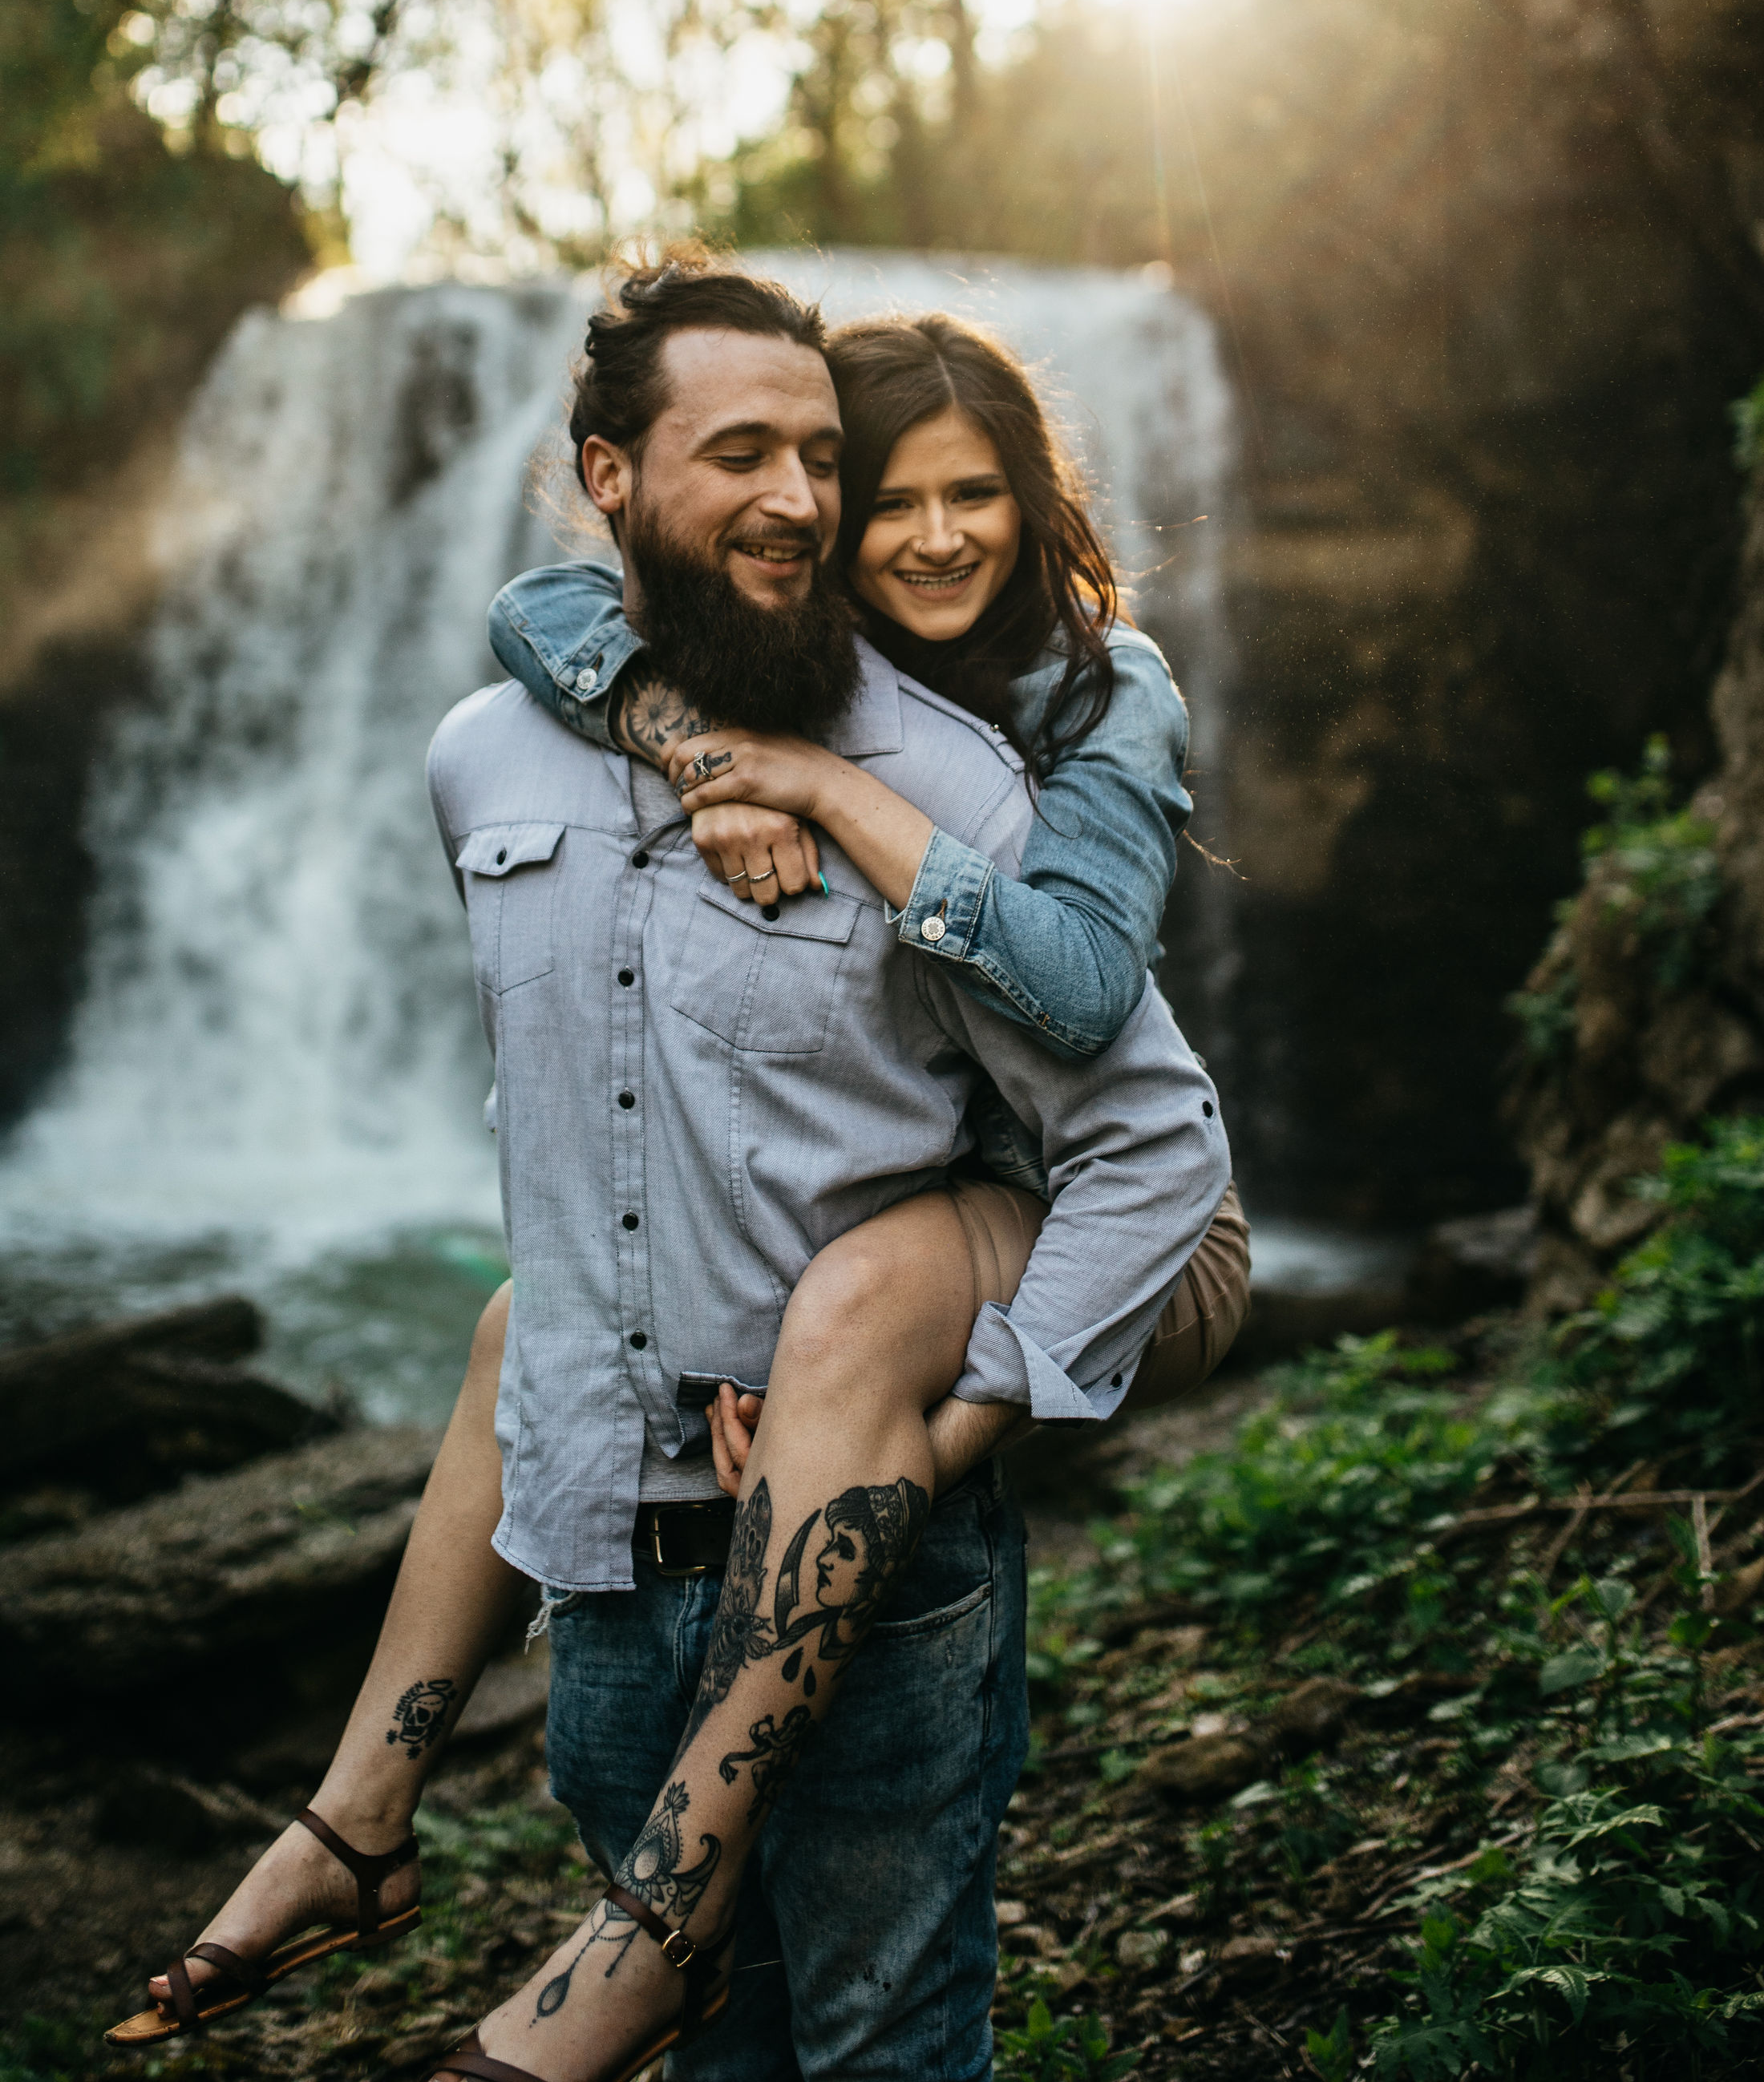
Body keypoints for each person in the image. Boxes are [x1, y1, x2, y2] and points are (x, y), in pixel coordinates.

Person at [108, 255, 1234, 2081]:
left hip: (906, 1480)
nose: (816, 505)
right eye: (757, 458)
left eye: (825, 460)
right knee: (725, 2053)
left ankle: (560, 1928)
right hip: (617, 1568)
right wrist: (699, 738)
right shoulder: (492, 754)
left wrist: (964, 1426)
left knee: (883, 2040)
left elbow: (1129, 1083)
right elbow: (563, 1131)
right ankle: (360, 1822)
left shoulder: (1021, 742)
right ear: (610, 474)